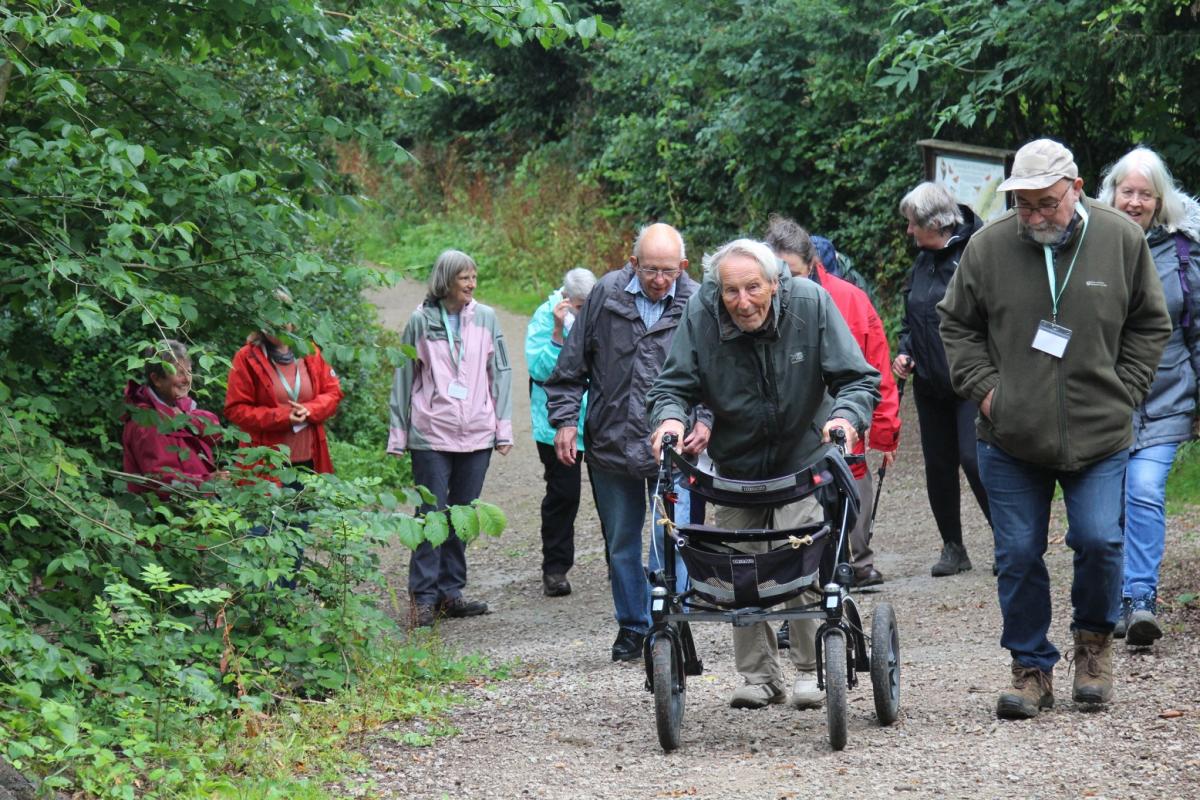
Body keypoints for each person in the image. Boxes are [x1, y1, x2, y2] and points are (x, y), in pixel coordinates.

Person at [939, 138, 1170, 719]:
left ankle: (1093, 649)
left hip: (1100, 433)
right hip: (1010, 437)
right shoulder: (988, 248)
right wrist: (990, 395)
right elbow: (956, 324)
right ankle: (1031, 668)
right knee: (1016, 552)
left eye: (1046, 203)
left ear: (1075, 190)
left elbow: (1150, 321)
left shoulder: (1120, 238)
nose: (1035, 216)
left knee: (1099, 540)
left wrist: (1127, 390)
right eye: (1024, 205)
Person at [647, 238, 880, 710]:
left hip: (803, 455)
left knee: (803, 558)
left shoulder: (811, 304)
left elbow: (856, 378)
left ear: (775, 283)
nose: (742, 301)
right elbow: (672, 385)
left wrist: (845, 418)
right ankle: (758, 676)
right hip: (735, 463)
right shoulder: (701, 312)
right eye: (731, 291)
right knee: (739, 571)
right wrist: (670, 418)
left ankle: (813, 669)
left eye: (753, 287)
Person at [544, 223, 710, 663]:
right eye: (651, 269)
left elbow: (718, 373)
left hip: (677, 446)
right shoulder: (605, 294)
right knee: (621, 541)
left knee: (674, 537)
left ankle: (671, 621)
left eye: (668, 271)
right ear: (632, 262)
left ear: (684, 267)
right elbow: (571, 366)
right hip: (612, 443)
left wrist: (706, 419)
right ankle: (633, 625)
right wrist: (564, 422)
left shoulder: (700, 301)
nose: (659, 279)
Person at [1098, 145, 1200, 647]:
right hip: (1105, 400)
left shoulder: (1183, 251)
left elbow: (1197, 328)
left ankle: (1141, 597)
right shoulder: (1090, 244)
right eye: (1127, 191)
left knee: (1142, 488)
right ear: (1112, 193)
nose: (1135, 201)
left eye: (1146, 194)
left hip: (1167, 395)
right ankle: (1113, 596)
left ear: (1161, 200)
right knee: (1109, 499)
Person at [766, 214, 899, 587]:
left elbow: (877, 367)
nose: (783, 282)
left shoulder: (850, 300)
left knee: (849, 498)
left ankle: (852, 567)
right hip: (788, 437)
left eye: (791, 272)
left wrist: (885, 430)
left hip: (842, 424)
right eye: (776, 273)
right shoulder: (757, 302)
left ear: (813, 265)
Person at [388, 249, 514, 630]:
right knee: (431, 515)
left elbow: (502, 373)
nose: (472, 285)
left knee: (463, 516)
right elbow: (403, 377)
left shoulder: (488, 318)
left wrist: (502, 428)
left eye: (474, 277)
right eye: (464, 278)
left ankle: (450, 593)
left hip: (476, 432)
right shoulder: (420, 321)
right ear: (446, 281)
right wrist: (398, 434)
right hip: (431, 433)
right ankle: (422, 598)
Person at [895, 181, 992, 577]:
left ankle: (1008, 539)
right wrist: (905, 350)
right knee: (938, 465)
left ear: (933, 223)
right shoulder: (922, 261)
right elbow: (911, 316)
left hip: (970, 380)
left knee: (975, 459)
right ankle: (953, 547)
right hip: (930, 383)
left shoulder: (975, 255)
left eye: (912, 224)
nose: (908, 231)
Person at [525, 267, 598, 597]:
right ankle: (555, 570)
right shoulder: (544, 316)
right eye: (580, 306)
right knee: (563, 496)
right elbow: (539, 369)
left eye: (588, 304)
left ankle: (619, 565)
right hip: (555, 421)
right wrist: (557, 331)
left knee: (611, 495)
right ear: (566, 300)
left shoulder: (601, 310)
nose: (585, 312)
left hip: (597, 420)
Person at [225, 322, 343, 476]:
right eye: (271, 320)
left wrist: (310, 409)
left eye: (283, 320)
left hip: (311, 460)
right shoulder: (246, 357)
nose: (277, 325)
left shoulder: (308, 350)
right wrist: (284, 417)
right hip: (265, 464)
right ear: (261, 323)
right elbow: (235, 409)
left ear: (293, 323)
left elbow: (333, 392)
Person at [122, 339, 222, 494]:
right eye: (178, 372)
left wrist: (187, 420)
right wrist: (209, 482)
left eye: (188, 371)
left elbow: (216, 433)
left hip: (194, 504)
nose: (187, 379)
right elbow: (160, 480)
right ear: (156, 379)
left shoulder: (179, 406)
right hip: (167, 512)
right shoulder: (146, 421)